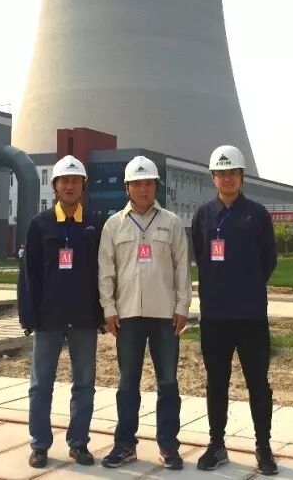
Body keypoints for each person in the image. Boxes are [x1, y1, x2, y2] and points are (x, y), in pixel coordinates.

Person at [98, 155, 192, 470]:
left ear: (156, 186)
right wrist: (109, 309)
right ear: (127, 187)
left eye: (148, 183)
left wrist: (182, 307)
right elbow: (106, 271)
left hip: (165, 316)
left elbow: (182, 269)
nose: (143, 189)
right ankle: (125, 444)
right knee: (128, 384)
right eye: (137, 184)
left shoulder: (171, 222)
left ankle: (169, 445)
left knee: (168, 383)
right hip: (127, 316)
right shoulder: (114, 225)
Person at [191, 145, 278, 475]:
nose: (226, 179)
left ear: (242, 177)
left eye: (232, 173)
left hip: (250, 315)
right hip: (215, 316)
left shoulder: (257, 214)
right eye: (220, 174)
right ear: (213, 178)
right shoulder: (203, 215)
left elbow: (269, 259)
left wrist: (247, 285)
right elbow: (200, 254)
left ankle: (263, 447)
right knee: (216, 382)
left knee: (258, 383)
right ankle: (216, 445)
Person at [18, 155, 104, 468]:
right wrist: (29, 316)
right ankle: (40, 444)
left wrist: (102, 313)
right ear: (55, 186)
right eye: (64, 181)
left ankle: (79, 443)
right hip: (48, 317)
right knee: (41, 384)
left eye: (75, 180)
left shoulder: (95, 223)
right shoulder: (40, 224)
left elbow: (104, 272)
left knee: (84, 384)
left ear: (83, 185)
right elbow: (28, 274)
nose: (69, 186)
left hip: (83, 317)